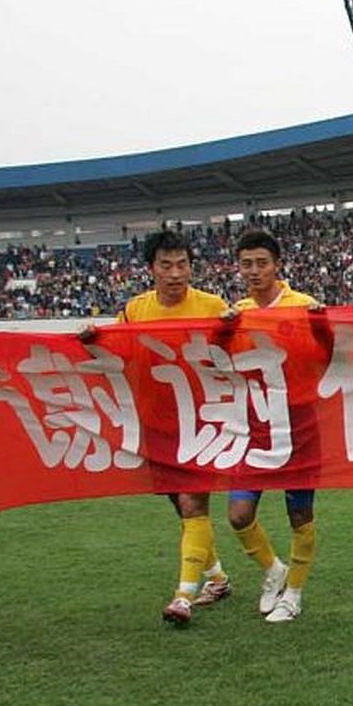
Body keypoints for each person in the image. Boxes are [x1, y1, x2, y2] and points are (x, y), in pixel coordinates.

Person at [101, 230, 234, 626]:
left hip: (203, 423)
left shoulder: (213, 306)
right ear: (151, 269)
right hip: (156, 424)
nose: (176, 273)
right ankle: (218, 578)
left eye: (183, 264)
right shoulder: (135, 310)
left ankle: (183, 597)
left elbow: (237, 349)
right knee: (182, 507)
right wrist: (92, 340)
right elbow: (116, 351)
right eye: (166, 265)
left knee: (194, 504)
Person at [221, 229, 321, 623]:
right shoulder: (237, 312)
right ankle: (274, 571)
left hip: (299, 425)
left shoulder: (303, 306)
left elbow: (328, 353)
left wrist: (322, 325)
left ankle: (293, 594)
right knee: (238, 514)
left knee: (301, 516)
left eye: (262, 262)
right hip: (256, 426)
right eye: (247, 264)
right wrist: (223, 331)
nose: (254, 270)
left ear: (277, 265)